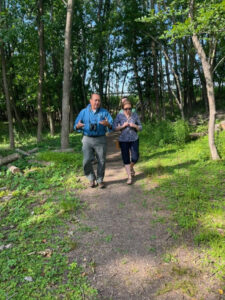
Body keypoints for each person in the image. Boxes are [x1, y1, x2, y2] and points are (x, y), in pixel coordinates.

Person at [74, 93, 113, 188]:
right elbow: (76, 125)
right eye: (95, 100)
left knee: (101, 160)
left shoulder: (104, 112)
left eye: (99, 100)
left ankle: (100, 179)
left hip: (100, 138)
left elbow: (112, 125)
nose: (97, 102)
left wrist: (108, 124)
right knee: (86, 160)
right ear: (90, 101)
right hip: (87, 139)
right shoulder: (83, 112)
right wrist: (78, 126)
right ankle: (91, 178)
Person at [113, 99, 142, 185]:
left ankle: (130, 166)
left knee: (135, 157)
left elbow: (141, 127)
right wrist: (122, 126)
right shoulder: (119, 116)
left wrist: (135, 126)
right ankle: (129, 177)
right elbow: (114, 128)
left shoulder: (135, 115)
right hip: (123, 140)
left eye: (129, 108)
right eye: (126, 109)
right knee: (125, 158)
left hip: (134, 139)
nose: (128, 110)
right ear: (122, 109)